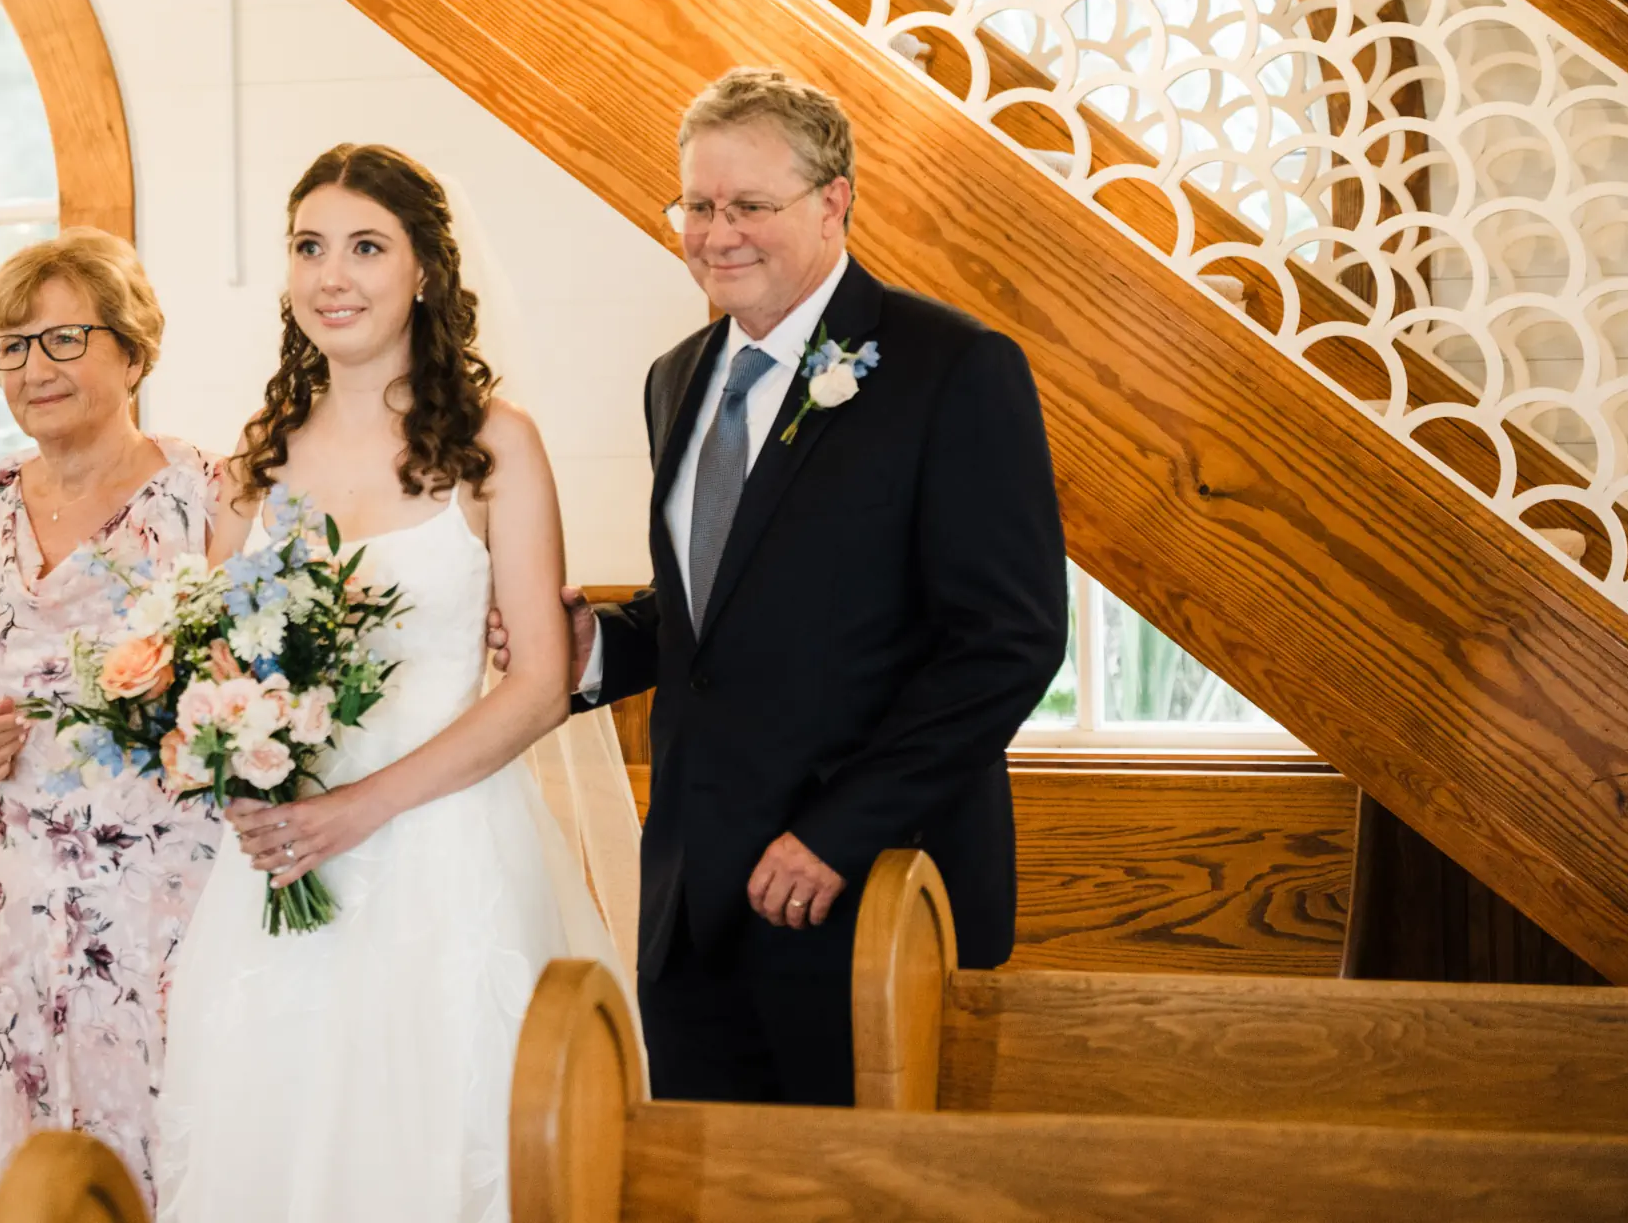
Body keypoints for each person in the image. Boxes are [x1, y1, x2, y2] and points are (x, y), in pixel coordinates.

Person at [564, 66, 1065, 1105]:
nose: (716, 233)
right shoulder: (677, 378)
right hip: (695, 900)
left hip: (871, 891)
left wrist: (837, 833)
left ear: (834, 200)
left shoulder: (952, 368)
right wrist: (599, 649)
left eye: (750, 205)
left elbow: (1006, 641)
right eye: (697, 205)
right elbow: (716, 607)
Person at [154, 145, 621, 1223]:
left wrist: (358, 808)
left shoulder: (496, 448)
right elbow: (209, 668)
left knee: (433, 1147)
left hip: (442, 854)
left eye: (367, 246)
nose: (334, 275)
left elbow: (540, 685)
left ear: (423, 273)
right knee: (273, 1144)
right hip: (280, 870)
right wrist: (233, 761)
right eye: (310, 247)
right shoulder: (255, 465)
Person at [0, 228, 224, 1223]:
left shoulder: (207, 493)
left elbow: (265, 692)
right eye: (12, 346)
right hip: (1, 910)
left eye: (65, 339)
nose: (35, 368)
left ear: (132, 348)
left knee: (147, 1164)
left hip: (156, 909)